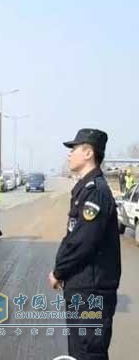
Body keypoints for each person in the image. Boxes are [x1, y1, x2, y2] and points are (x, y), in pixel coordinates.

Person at [49, 128, 121, 360]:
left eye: (74, 149)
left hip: (92, 290)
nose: (69, 155)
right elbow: (73, 236)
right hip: (82, 286)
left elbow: (82, 242)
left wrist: (59, 271)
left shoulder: (96, 193)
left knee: (89, 352)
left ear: (88, 152)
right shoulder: (86, 190)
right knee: (80, 350)